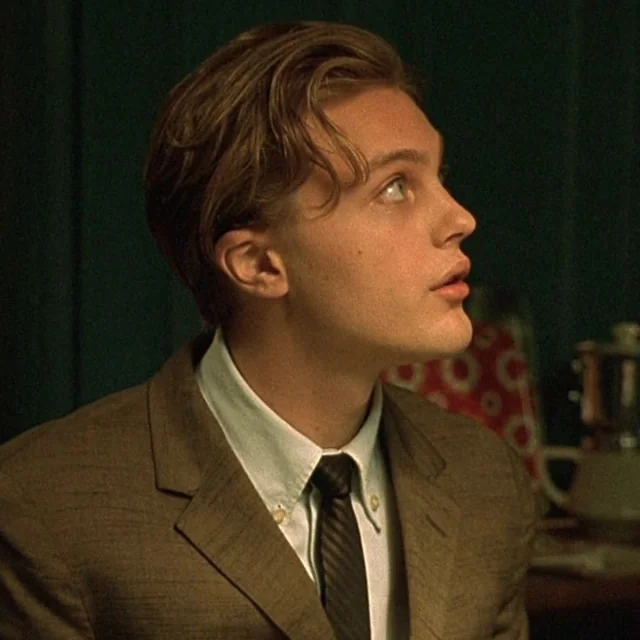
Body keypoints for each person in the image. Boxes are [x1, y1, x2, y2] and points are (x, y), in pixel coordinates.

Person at [0, 21, 536, 639]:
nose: (460, 217)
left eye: (440, 176)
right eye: (395, 187)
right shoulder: (47, 508)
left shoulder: (485, 481)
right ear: (258, 264)